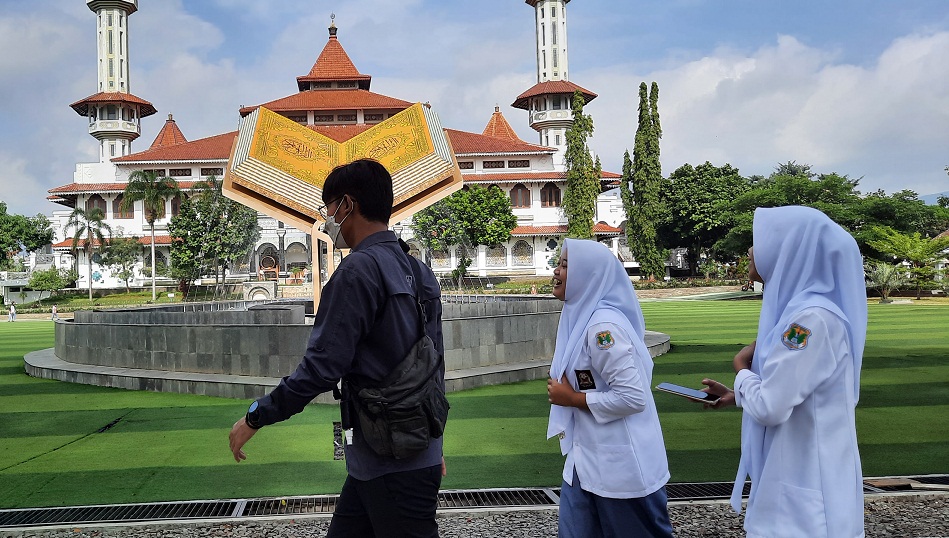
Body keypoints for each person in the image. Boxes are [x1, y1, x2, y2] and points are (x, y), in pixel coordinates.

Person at [228, 159, 446, 538]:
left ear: (347, 205)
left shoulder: (356, 272)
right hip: (395, 454)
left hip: (389, 460)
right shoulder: (418, 270)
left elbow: (321, 368)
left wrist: (256, 416)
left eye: (328, 207)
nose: (327, 217)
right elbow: (434, 366)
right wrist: (434, 440)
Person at [702, 206, 867, 538]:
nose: (751, 250)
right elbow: (796, 393)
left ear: (791, 250)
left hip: (806, 502)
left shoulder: (810, 320)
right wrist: (740, 396)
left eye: (762, 240)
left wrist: (740, 371)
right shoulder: (803, 313)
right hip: (799, 489)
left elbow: (771, 407)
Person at [546, 238, 674, 537]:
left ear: (587, 277)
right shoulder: (580, 318)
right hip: (585, 461)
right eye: (559, 263)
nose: (556, 271)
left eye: (565, 265)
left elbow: (632, 397)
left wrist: (573, 398)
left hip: (622, 467)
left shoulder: (603, 329)